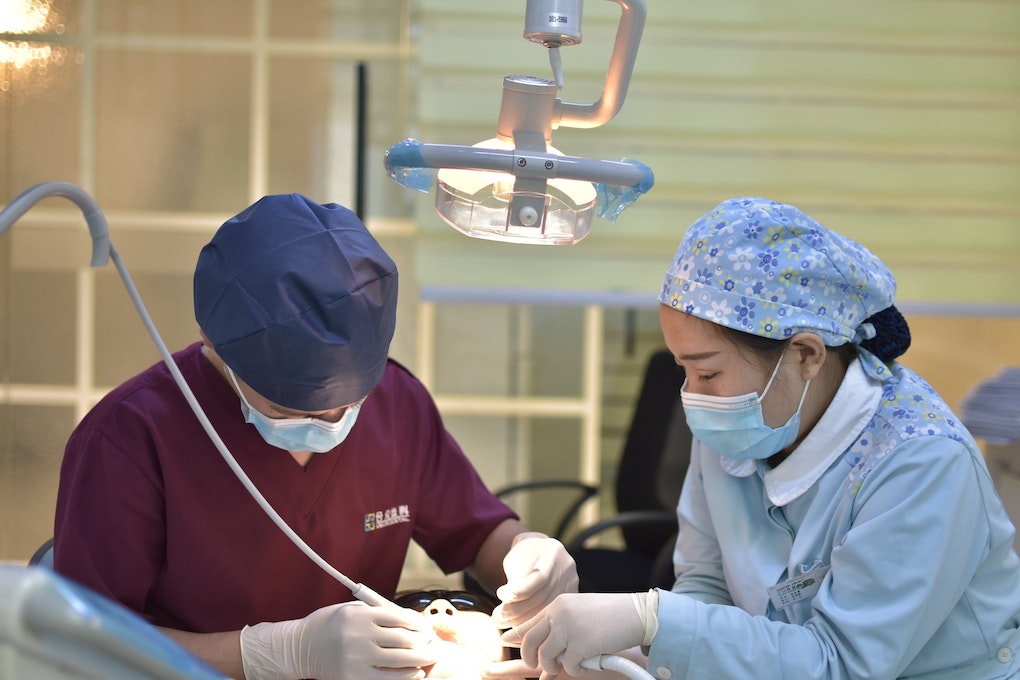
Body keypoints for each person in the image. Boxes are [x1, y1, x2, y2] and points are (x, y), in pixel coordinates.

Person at [52, 193, 578, 680]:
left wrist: (524, 552)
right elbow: (87, 645)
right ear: (217, 343)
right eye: (288, 405)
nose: (330, 425)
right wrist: (276, 653)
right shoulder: (129, 438)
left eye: (351, 402)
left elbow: (476, 533)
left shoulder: (398, 404)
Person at [491, 197, 1020, 680]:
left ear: (807, 355)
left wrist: (651, 622)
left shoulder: (920, 463)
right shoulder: (741, 421)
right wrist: (638, 658)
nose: (693, 396)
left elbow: (841, 664)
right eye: (683, 369)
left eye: (707, 372)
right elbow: (707, 588)